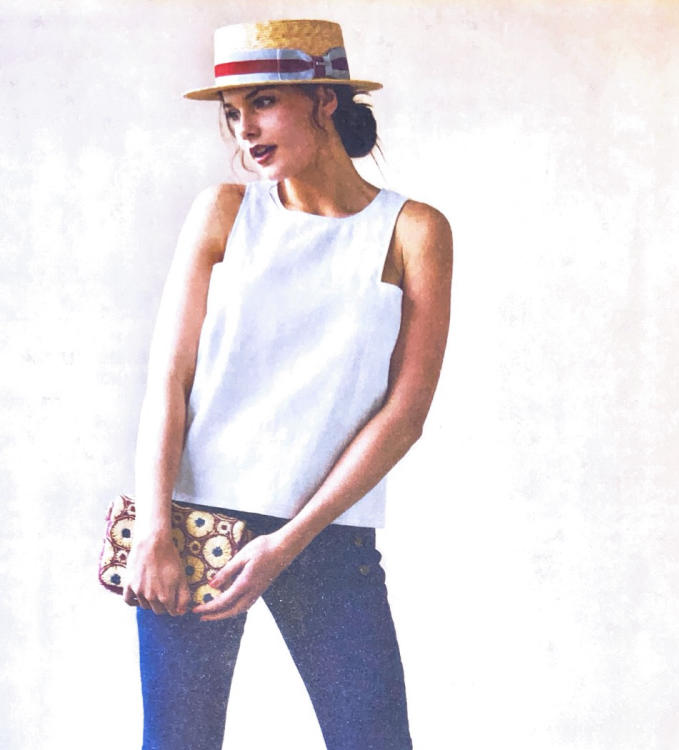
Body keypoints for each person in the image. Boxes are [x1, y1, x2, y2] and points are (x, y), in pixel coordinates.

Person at [122, 18, 452, 750]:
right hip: (194, 528)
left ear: (324, 99)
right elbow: (169, 380)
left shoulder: (413, 231)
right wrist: (151, 530)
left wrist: (289, 541)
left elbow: (405, 412)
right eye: (232, 112)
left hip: (327, 532)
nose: (245, 129)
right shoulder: (224, 212)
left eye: (264, 102)